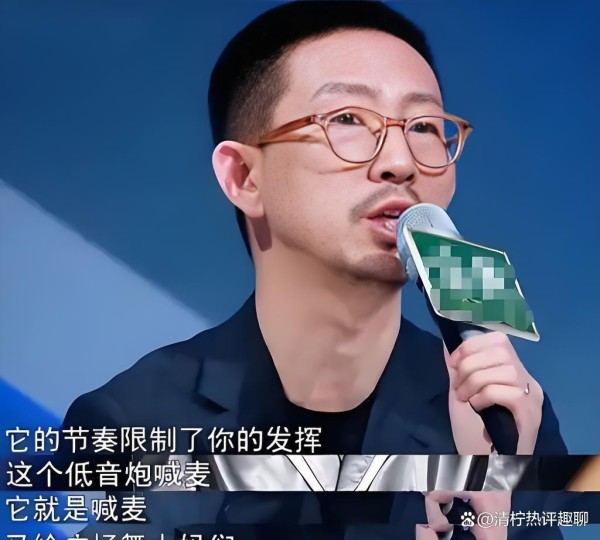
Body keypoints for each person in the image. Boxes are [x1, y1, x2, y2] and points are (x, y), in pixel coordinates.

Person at [61, 1, 568, 537]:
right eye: (347, 119)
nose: (400, 162)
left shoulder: (506, 415)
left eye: (423, 125)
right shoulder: (133, 419)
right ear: (244, 177)